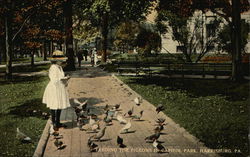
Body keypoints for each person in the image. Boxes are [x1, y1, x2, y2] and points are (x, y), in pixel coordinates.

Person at [42, 50, 70, 131]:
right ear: (56, 60)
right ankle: (54, 123)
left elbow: (60, 77)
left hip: (59, 87)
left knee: (59, 105)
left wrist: (65, 78)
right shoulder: (53, 67)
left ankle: (57, 122)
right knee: (54, 105)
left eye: (62, 60)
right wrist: (64, 78)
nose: (62, 61)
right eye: (60, 60)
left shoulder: (59, 67)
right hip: (54, 88)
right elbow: (54, 79)